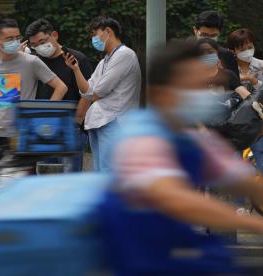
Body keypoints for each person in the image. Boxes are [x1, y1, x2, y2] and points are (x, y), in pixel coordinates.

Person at [97, 41, 263, 275]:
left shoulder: (193, 138)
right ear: (160, 94)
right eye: (192, 88)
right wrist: (253, 223)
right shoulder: (140, 136)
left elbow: (240, 179)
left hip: (177, 250)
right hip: (138, 260)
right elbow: (175, 200)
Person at [0, 18, 67, 147]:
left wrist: (44, 116)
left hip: (23, 133)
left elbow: (60, 87)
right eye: (9, 39)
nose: (15, 42)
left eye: (17, 37)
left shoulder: (31, 62)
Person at [64, 16, 141, 171]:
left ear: (108, 31)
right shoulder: (105, 60)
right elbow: (87, 93)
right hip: (99, 122)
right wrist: (76, 69)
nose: (93, 39)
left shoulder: (125, 54)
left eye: (95, 34)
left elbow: (97, 93)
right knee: (101, 173)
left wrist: (92, 92)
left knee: (110, 173)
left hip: (115, 122)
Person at [26, 18, 93, 172]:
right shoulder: (36, 61)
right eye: (35, 45)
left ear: (54, 35)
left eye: (43, 41)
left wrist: (76, 122)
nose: (40, 47)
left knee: (69, 178)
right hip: (43, 129)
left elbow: (87, 94)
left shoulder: (76, 59)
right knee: (45, 177)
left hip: (69, 128)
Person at [227, 28, 263, 175]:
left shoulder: (261, 65)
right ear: (233, 50)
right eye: (242, 49)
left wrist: (253, 80)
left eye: (250, 47)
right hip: (234, 127)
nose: (247, 51)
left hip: (258, 127)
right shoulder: (226, 69)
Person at [192, 10, 240, 78]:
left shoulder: (226, 55)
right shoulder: (182, 54)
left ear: (219, 33)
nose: (208, 39)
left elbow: (236, 85)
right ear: (195, 30)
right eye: (204, 35)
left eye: (213, 36)